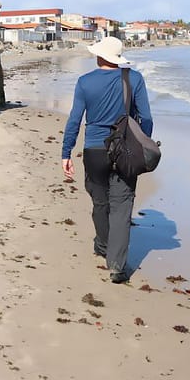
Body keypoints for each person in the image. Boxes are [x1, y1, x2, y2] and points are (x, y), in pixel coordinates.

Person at [61, 36, 153, 283]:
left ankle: (102, 245)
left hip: (94, 150)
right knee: (122, 208)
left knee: (100, 202)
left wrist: (66, 152)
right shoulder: (134, 79)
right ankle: (116, 266)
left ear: (99, 56)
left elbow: (74, 120)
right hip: (125, 151)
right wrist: (140, 146)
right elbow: (146, 119)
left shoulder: (84, 82)